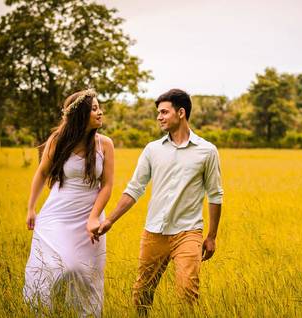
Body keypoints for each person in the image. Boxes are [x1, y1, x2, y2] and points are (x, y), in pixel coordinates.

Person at [90, 88, 224, 314]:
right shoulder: (152, 150)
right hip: (154, 232)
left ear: (181, 113)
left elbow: (215, 195)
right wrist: (110, 220)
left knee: (187, 293)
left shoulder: (207, 151)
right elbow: (134, 189)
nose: (159, 117)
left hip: (188, 232)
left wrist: (211, 236)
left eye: (164, 112)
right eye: (158, 113)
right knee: (142, 293)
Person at [23, 89, 114, 316]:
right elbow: (42, 173)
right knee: (56, 266)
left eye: (98, 107)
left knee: (86, 272)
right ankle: (44, 310)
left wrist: (94, 217)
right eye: (94, 109)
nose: (100, 112)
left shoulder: (105, 144)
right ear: (81, 114)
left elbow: (107, 186)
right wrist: (31, 208)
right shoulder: (58, 140)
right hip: (58, 214)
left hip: (90, 215)